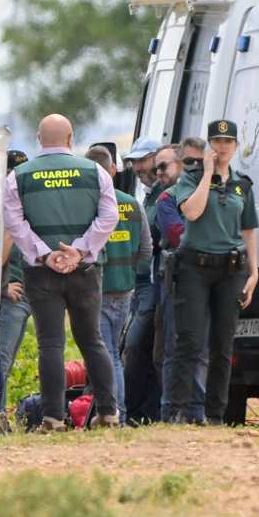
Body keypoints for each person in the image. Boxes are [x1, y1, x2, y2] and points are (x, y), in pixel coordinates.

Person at [3, 114, 121, 431]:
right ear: (70, 137)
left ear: (39, 138)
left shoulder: (19, 176)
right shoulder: (95, 171)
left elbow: (14, 223)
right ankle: (108, 413)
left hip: (41, 273)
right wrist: (79, 250)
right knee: (92, 340)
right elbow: (110, 217)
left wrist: (46, 255)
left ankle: (53, 418)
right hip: (84, 270)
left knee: (50, 344)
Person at [167, 120, 259, 424]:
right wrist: (208, 173)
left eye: (227, 142)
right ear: (209, 145)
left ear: (235, 147)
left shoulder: (243, 184)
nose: (221, 147)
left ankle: (215, 413)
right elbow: (192, 212)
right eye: (216, 141)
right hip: (195, 266)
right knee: (190, 340)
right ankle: (177, 411)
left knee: (223, 343)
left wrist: (254, 272)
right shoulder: (191, 178)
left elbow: (248, 231)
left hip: (231, 268)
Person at [85, 145, 151, 425]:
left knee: (106, 353)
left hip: (95, 288)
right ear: (113, 169)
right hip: (124, 289)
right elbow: (146, 250)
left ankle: (115, 413)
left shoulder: (87, 204)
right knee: (113, 351)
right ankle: (113, 412)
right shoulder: (132, 203)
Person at [123, 143, 178, 422]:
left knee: (137, 346)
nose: (138, 168)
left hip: (155, 283)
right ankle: (144, 411)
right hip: (143, 282)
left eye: (142, 161)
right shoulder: (146, 195)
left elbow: (157, 235)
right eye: (134, 163)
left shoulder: (163, 196)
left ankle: (133, 410)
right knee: (144, 348)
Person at [157, 137, 208, 422]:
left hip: (210, 277)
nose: (195, 167)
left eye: (201, 161)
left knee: (202, 348)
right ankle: (171, 410)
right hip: (178, 277)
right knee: (175, 348)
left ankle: (197, 412)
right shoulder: (168, 198)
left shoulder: (216, 192)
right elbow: (179, 237)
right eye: (189, 161)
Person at [0, 150, 31, 423]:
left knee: (4, 364)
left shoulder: (27, 207)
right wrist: (2, 286)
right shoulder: (0, 210)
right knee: (0, 363)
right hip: (11, 296)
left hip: (27, 294)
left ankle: (0, 417)